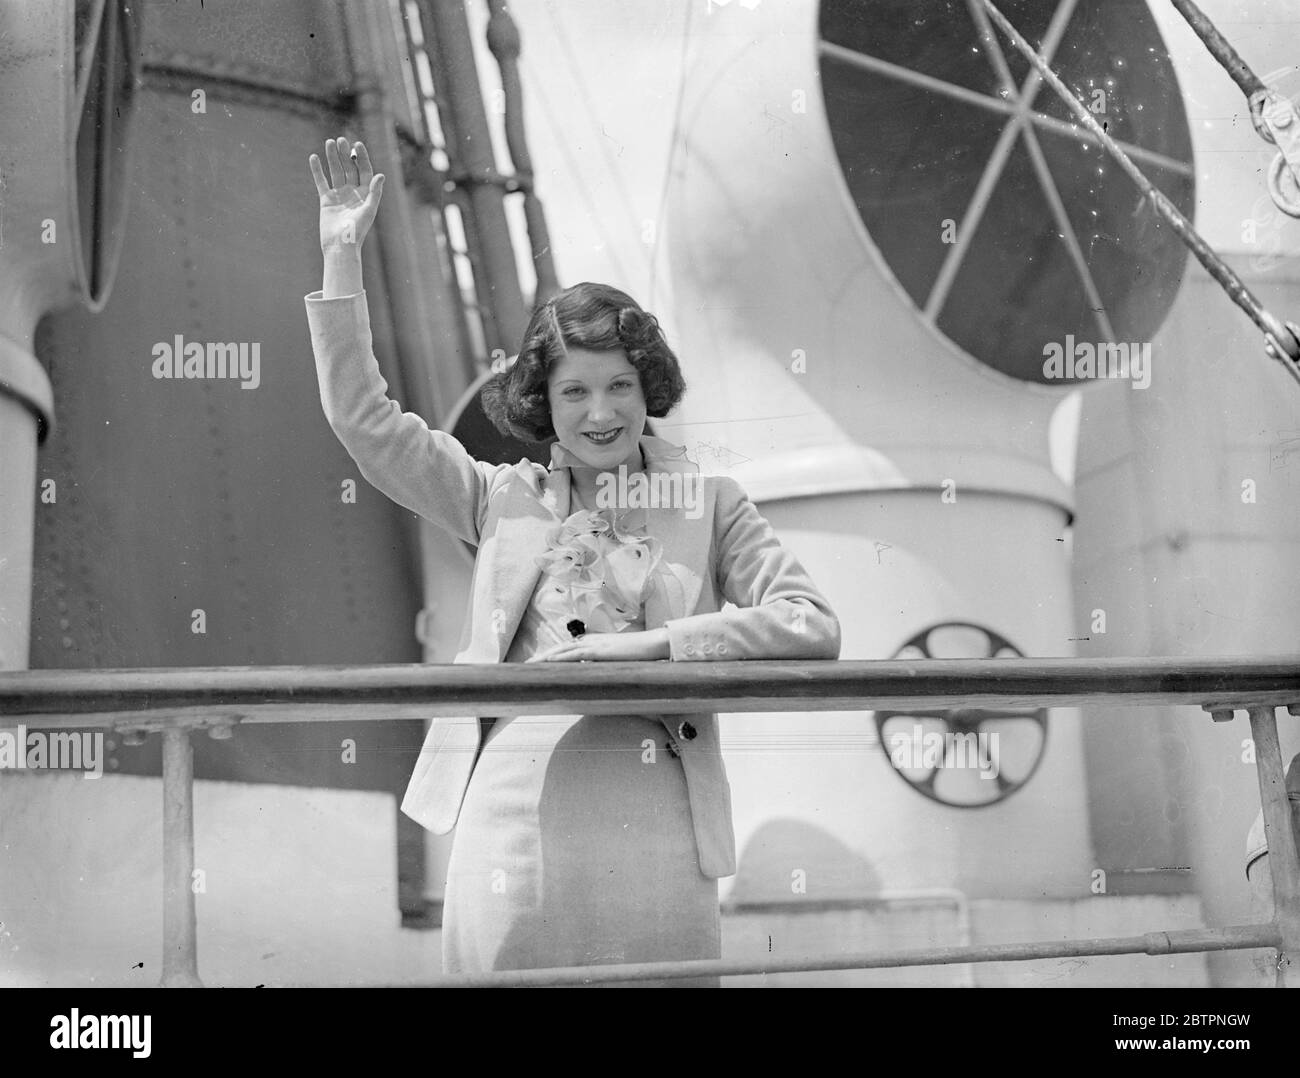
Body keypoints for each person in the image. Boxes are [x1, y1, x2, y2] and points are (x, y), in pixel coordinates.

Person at [304, 136, 840, 983]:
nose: (600, 413)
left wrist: (659, 647)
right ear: (542, 404)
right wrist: (342, 255)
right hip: (513, 818)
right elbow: (366, 424)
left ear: (648, 387)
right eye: (575, 391)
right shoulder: (494, 496)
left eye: (620, 385)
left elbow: (811, 628)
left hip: (658, 817)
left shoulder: (711, 501)